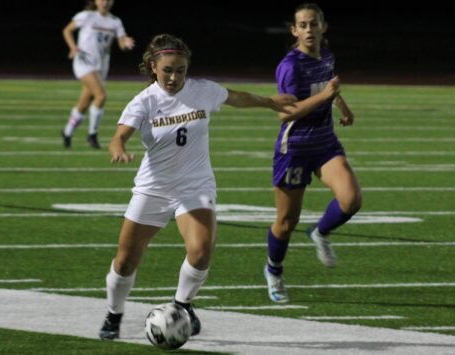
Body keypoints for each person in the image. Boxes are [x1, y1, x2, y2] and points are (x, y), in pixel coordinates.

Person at [98, 33, 297, 340]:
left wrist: (270, 103)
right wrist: (116, 147)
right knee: (125, 259)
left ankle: (182, 306)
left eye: (180, 70)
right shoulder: (145, 101)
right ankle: (114, 314)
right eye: (167, 70)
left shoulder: (202, 91)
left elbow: (237, 97)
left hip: (195, 185)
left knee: (201, 251)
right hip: (154, 187)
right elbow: (119, 134)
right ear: (153, 66)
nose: (174, 76)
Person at [264, 3, 362, 303]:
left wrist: (341, 106)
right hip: (294, 149)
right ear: (294, 31)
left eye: (313, 24)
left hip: (325, 144)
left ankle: (319, 232)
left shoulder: (327, 56)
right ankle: (274, 271)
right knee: (285, 222)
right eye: (303, 25)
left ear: (323, 27)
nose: (309, 30)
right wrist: (324, 96)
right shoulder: (290, 66)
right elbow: (286, 113)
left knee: (351, 199)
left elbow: (330, 86)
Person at [61, 0, 134, 149]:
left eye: (108, 0)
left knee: (85, 102)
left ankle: (67, 132)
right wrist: (73, 47)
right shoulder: (86, 16)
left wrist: (125, 43)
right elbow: (67, 30)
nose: (105, 2)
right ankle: (92, 134)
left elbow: (121, 43)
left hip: (101, 66)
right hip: (84, 62)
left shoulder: (115, 21)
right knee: (101, 95)